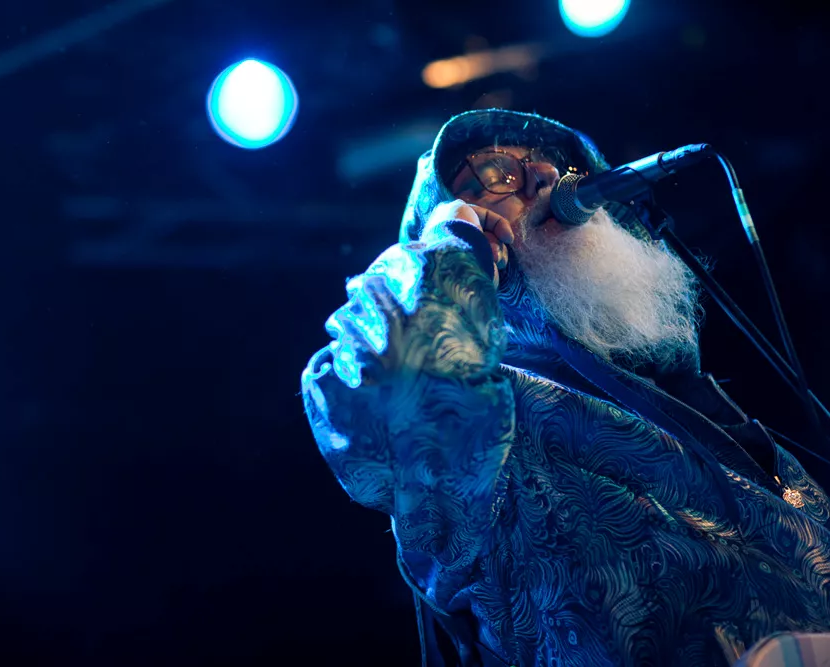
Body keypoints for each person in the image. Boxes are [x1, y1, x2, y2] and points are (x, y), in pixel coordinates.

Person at [300, 108, 830, 666]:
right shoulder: (493, 425)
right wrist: (449, 244)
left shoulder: (690, 400)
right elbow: (380, 396)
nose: (547, 176)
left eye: (557, 163)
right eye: (496, 172)